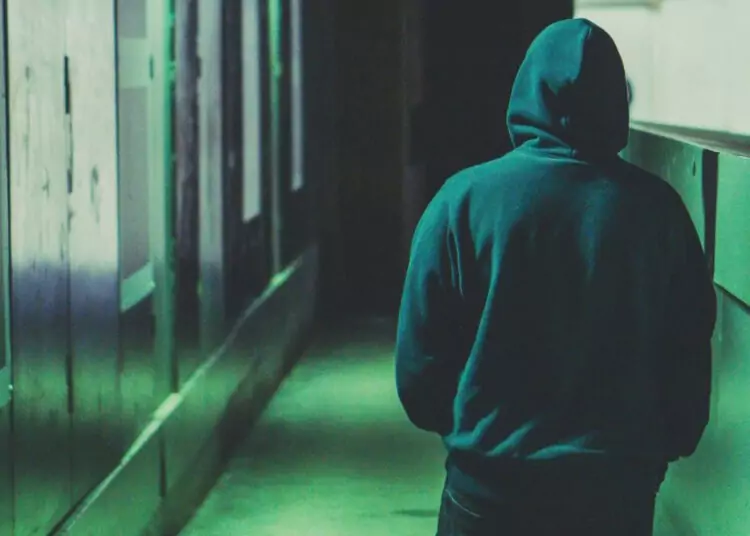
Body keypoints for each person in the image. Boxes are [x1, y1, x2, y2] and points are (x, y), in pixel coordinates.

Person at [394, 18, 716, 536]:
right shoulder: (661, 214)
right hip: (615, 497)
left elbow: (419, 369)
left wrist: (474, 435)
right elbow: (687, 356)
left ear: (527, 91)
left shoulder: (462, 202)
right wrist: (657, 448)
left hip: (489, 493)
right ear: (616, 101)